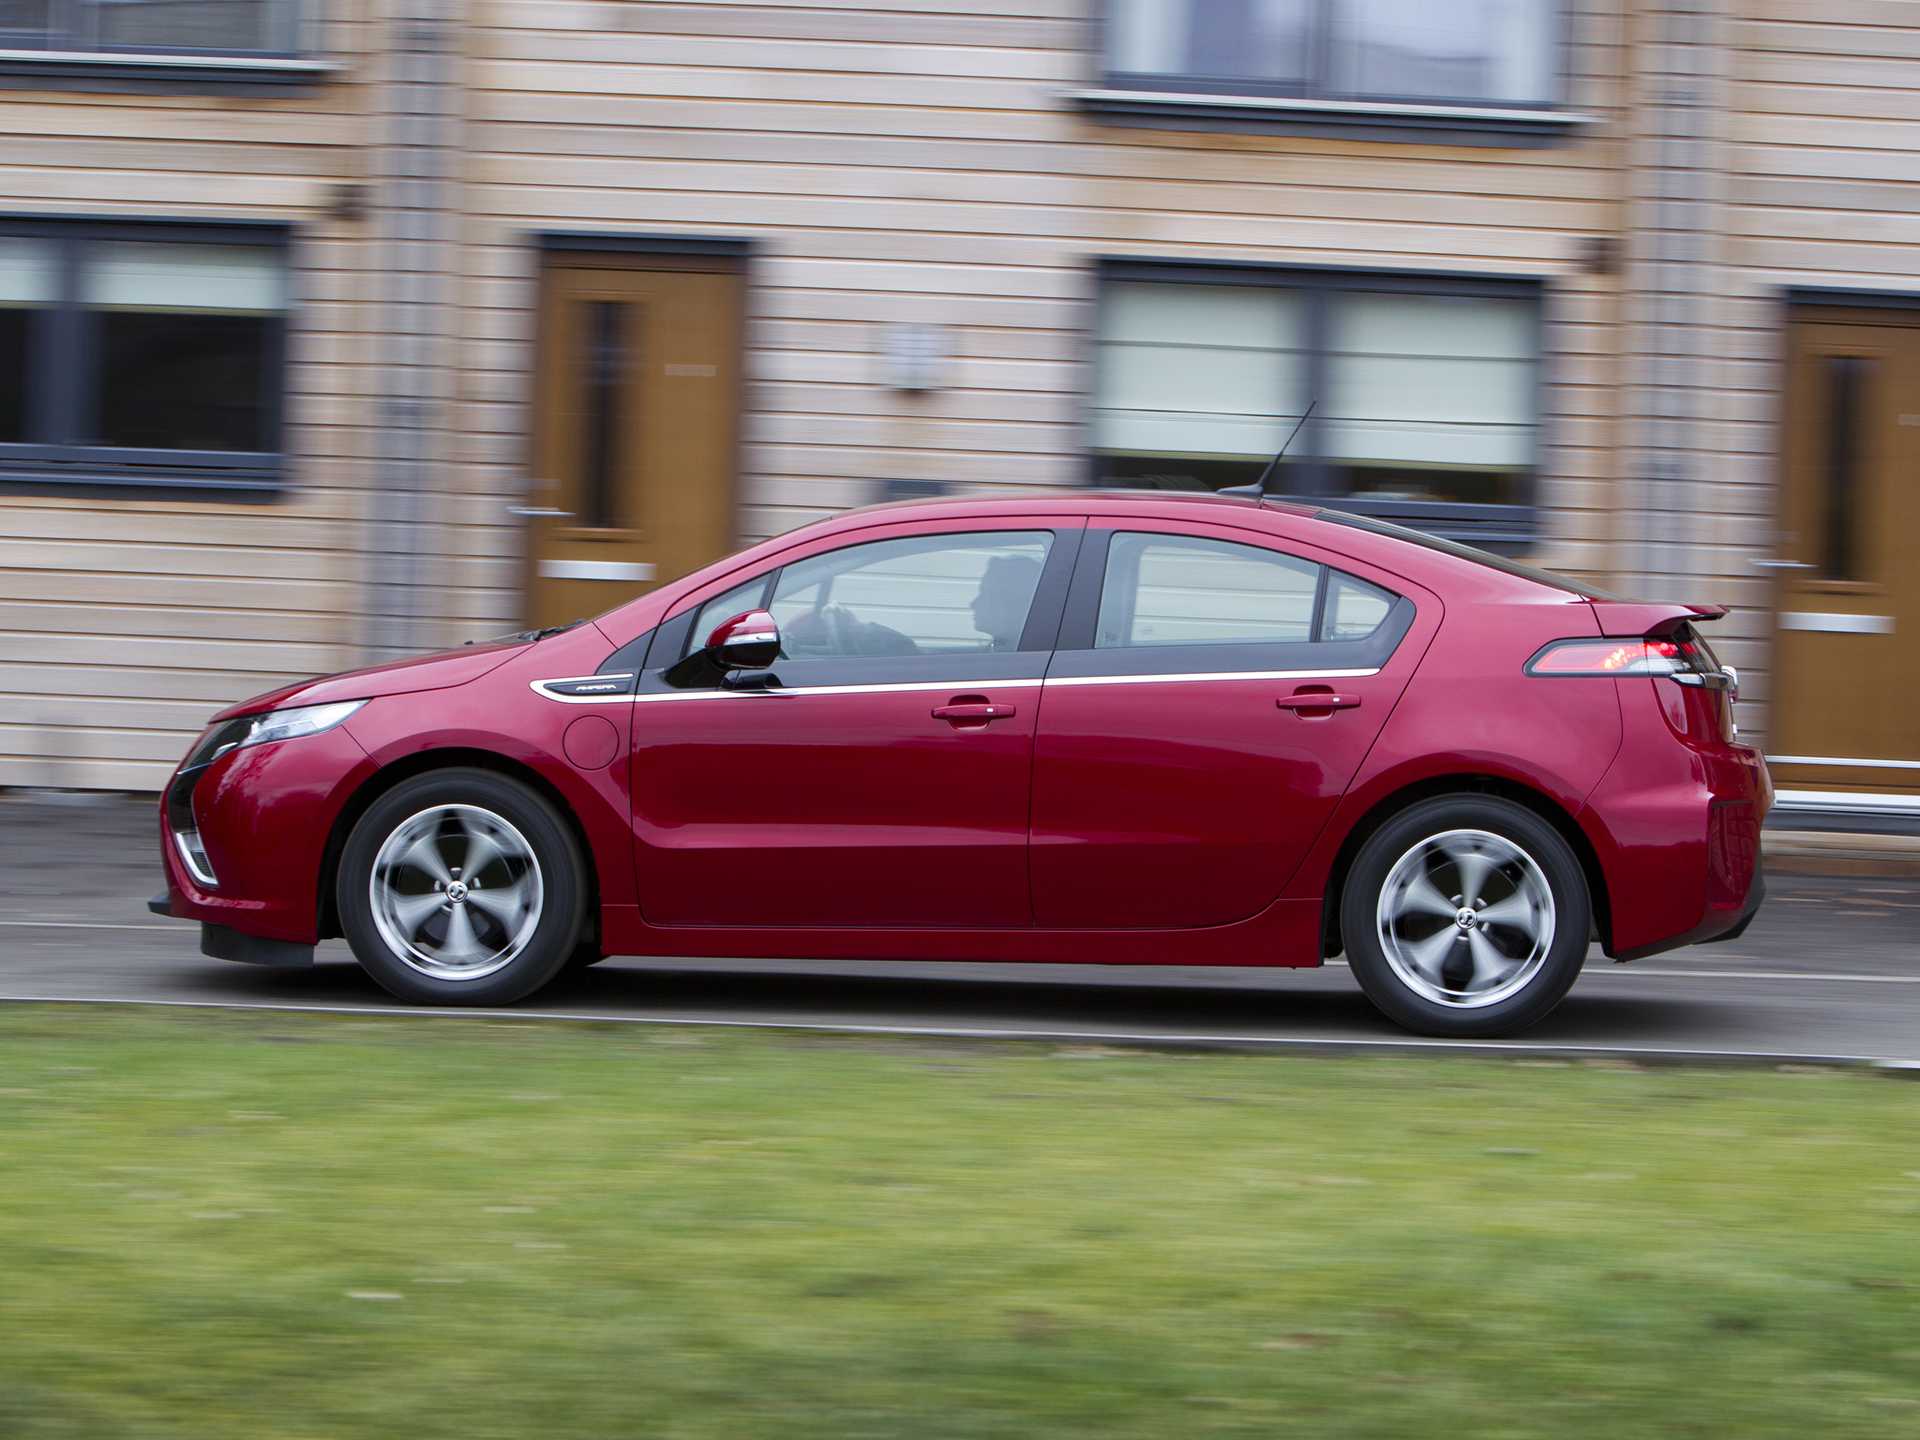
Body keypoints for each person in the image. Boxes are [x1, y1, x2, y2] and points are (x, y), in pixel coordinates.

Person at [971, 554, 1043, 650]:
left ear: (1013, 603)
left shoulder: (1025, 661)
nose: (972, 604)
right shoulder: (1003, 653)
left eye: (985, 594)